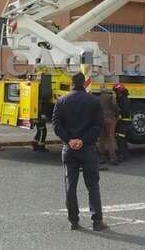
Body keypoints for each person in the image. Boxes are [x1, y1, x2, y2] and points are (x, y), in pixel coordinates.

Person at [52, 72, 108, 232]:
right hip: (88, 148)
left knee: (70, 185)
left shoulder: (61, 101)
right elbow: (98, 126)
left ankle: (73, 221)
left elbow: (56, 125)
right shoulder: (94, 102)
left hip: (69, 149)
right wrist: (83, 140)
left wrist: (69, 140)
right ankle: (97, 221)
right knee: (93, 185)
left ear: (71, 83)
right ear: (84, 83)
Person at [97, 91, 119, 165]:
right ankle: (112, 158)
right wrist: (117, 115)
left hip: (100, 120)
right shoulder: (111, 97)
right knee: (111, 138)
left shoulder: (98, 98)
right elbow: (115, 106)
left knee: (101, 139)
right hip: (110, 119)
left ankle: (102, 158)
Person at [113, 83, 131, 163]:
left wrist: (119, 112)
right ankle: (125, 155)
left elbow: (126, 110)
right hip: (122, 121)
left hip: (125, 121)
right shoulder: (120, 98)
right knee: (121, 138)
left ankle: (121, 156)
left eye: (116, 91)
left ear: (120, 91)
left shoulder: (124, 99)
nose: (115, 92)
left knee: (120, 138)